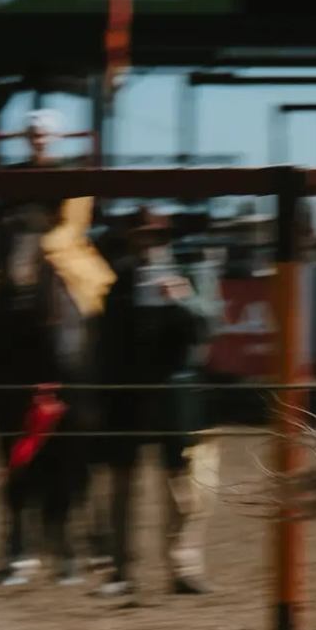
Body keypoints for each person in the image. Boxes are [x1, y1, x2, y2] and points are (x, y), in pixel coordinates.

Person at [92, 208, 217, 596]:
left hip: (176, 391)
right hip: (128, 391)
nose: (149, 247)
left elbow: (207, 328)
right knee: (122, 483)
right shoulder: (120, 279)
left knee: (183, 485)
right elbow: (106, 340)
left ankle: (182, 565)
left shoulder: (192, 272)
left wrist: (182, 299)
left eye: (156, 238)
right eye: (142, 238)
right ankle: (121, 570)